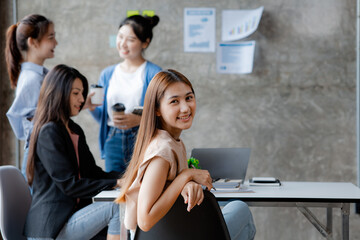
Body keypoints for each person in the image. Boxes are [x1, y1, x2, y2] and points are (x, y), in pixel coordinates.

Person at [115, 69, 256, 240]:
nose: (185, 108)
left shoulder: (173, 142)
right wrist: (186, 176)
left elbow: (166, 186)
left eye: (189, 98)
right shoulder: (162, 150)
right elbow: (145, 221)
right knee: (241, 210)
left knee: (227, 208)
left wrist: (184, 182)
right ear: (157, 109)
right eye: (174, 101)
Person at [24, 64, 121, 240]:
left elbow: (93, 172)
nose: (82, 99)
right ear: (59, 92)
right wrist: (116, 182)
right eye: (76, 93)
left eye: (82, 93)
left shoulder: (74, 129)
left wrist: (126, 178)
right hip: (52, 226)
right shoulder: (48, 132)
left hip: (72, 217)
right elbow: (70, 185)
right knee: (116, 207)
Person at [86, 14, 162, 173]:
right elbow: (104, 118)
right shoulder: (107, 74)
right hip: (113, 139)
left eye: (131, 39)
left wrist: (140, 119)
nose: (122, 44)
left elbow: (164, 113)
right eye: (120, 37)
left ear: (145, 43)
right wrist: (91, 108)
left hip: (142, 139)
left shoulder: (154, 73)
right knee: (115, 190)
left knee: (142, 189)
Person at [5, 14, 58, 178]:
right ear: (33, 42)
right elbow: (18, 117)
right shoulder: (32, 79)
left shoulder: (42, 75)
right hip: (39, 155)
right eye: (51, 37)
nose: (56, 42)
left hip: (43, 152)